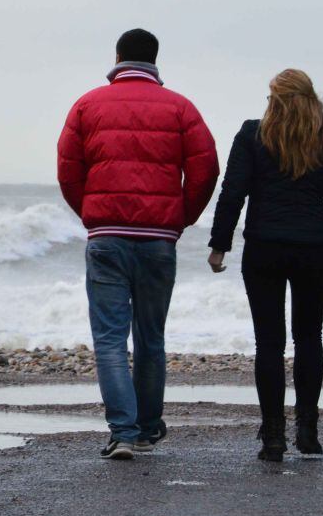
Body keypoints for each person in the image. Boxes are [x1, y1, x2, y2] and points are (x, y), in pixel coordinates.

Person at [57, 28, 219, 459]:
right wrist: (180, 217)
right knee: (151, 336)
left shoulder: (87, 104)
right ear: (154, 60)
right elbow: (206, 169)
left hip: (106, 237)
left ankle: (123, 433)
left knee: (110, 338)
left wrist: (93, 214)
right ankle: (146, 429)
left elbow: (68, 171)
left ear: (118, 56)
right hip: (158, 239)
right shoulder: (181, 107)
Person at [207, 69, 323, 462]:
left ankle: (273, 436)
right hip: (312, 249)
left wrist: (219, 245)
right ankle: (308, 434)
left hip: (264, 248)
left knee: (269, 343)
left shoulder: (252, 135)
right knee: (309, 337)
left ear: (275, 99)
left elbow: (233, 192)